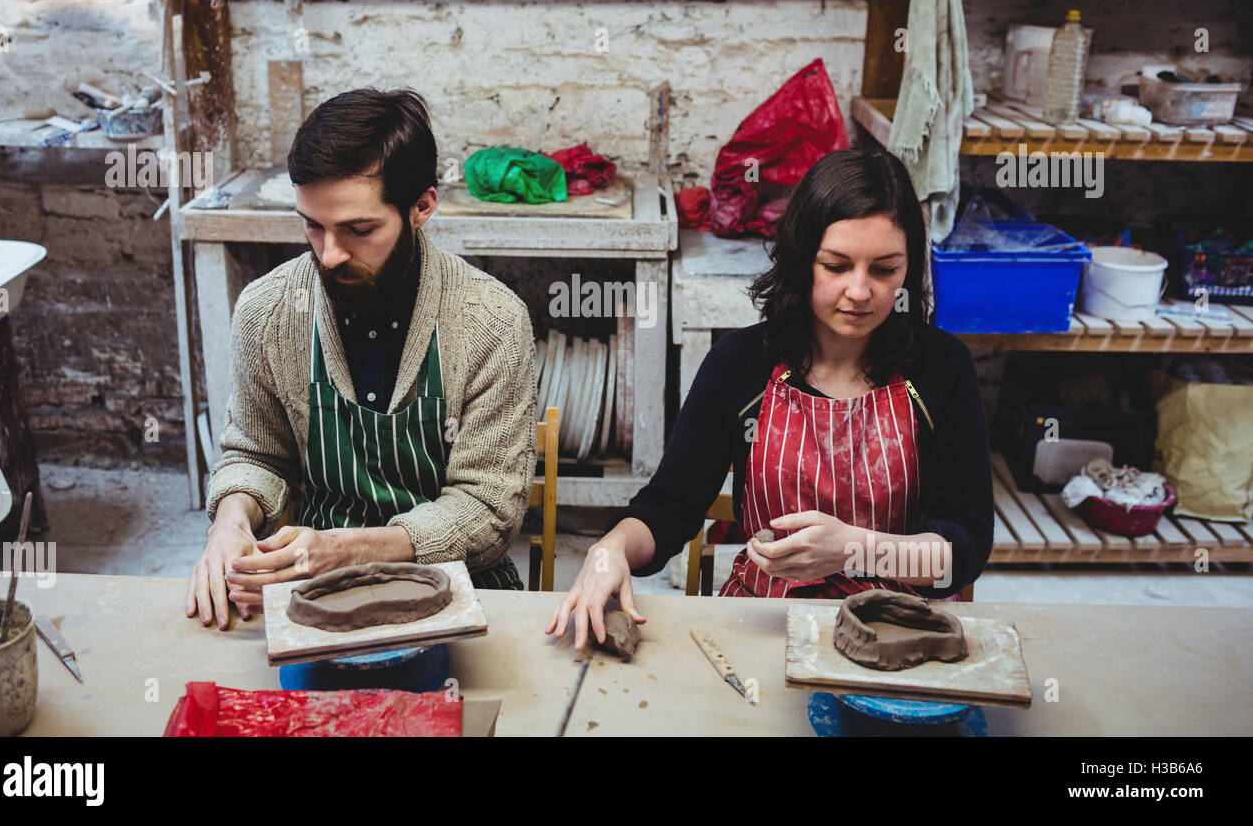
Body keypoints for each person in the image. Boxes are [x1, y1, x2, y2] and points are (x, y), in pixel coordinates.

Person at [548, 147, 993, 649]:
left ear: (909, 271)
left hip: (899, 629)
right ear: (803, 259)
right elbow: (670, 508)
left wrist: (855, 549)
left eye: (885, 270)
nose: (861, 291)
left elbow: (966, 546)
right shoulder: (742, 362)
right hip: (765, 622)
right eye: (836, 265)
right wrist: (610, 548)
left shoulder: (940, 368)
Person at [186, 88, 538, 630]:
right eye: (312, 225)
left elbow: (489, 512)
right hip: (312, 589)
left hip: (453, 586)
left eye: (359, 229)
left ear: (422, 206)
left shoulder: (492, 322)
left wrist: (351, 549)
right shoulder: (267, 310)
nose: (329, 254)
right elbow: (255, 455)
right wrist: (229, 523)